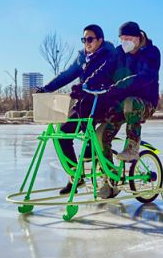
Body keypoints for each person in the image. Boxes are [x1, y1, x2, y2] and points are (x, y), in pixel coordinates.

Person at [84, 21, 161, 198]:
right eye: (121, 39)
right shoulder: (119, 53)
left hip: (144, 102)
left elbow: (147, 76)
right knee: (100, 135)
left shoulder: (152, 52)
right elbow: (104, 70)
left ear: (137, 38)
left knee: (130, 103)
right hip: (121, 102)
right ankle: (110, 180)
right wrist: (87, 84)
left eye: (127, 38)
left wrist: (122, 85)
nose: (123, 42)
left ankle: (133, 145)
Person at [35, 25, 115, 195]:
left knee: (90, 128)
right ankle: (75, 177)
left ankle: (93, 150)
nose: (86, 43)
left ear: (100, 40)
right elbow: (66, 75)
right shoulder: (81, 58)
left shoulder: (110, 55)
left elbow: (103, 74)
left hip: (102, 100)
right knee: (62, 134)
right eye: (84, 39)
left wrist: (87, 86)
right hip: (82, 102)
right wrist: (47, 88)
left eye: (90, 39)